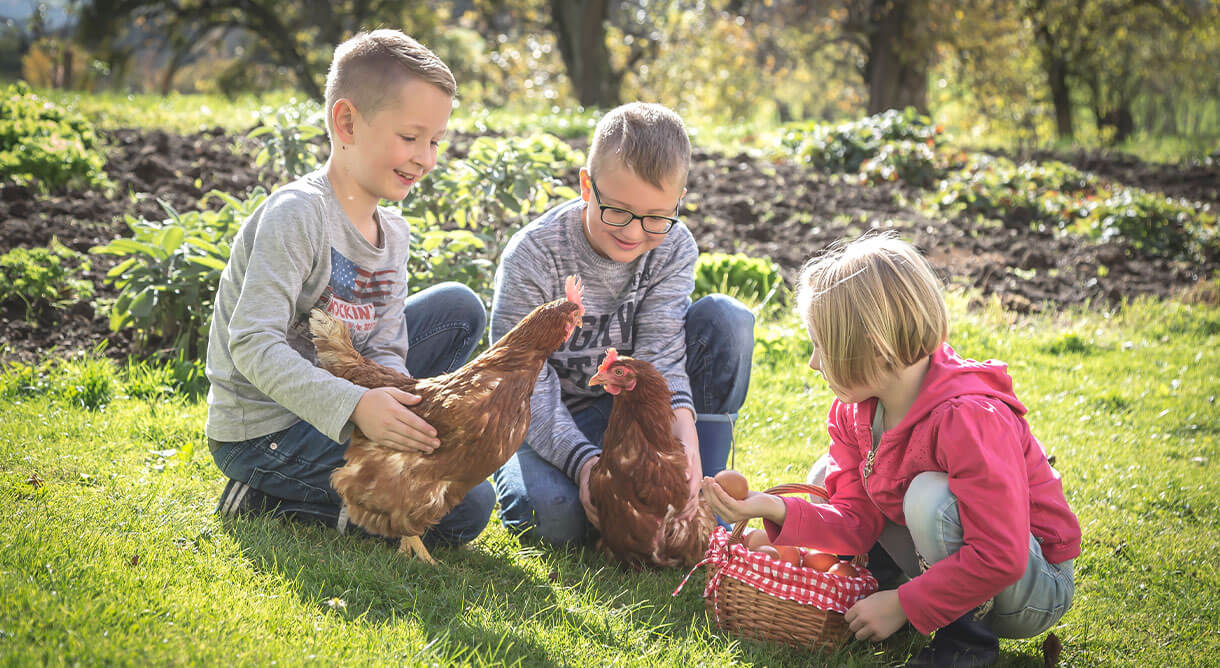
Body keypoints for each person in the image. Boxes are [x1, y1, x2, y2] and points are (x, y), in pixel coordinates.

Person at [701, 233, 1080, 667]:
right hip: (970, 561)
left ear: (870, 348)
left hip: (1030, 587)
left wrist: (904, 604)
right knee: (828, 474)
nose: (812, 362)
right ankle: (874, 587)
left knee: (929, 499)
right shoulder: (855, 412)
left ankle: (966, 643)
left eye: (820, 346)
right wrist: (772, 508)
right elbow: (856, 519)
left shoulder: (970, 418)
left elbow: (1001, 555)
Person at [205, 29, 494, 548]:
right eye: (410, 138)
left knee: (459, 308)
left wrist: (403, 415)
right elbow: (250, 343)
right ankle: (261, 496)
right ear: (347, 122)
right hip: (263, 429)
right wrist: (358, 407)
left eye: (434, 142)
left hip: (342, 394)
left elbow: (385, 345)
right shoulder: (299, 215)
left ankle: (357, 484)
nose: (426, 158)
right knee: (464, 510)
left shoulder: (394, 234)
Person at [491, 102, 755, 545]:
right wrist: (585, 465)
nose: (634, 233)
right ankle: (501, 469)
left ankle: (702, 492)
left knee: (727, 321)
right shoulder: (533, 256)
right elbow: (523, 382)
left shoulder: (672, 248)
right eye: (618, 211)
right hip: (538, 415)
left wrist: (683, 452)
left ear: (678, 202)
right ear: (586, 187)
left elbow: (662, 353)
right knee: (556, 521)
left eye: (656, 217)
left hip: (624, 417)